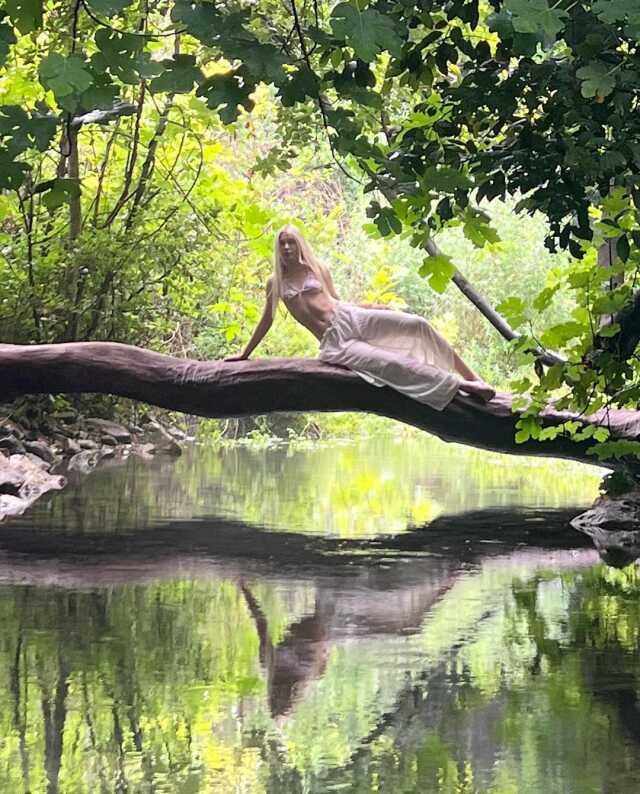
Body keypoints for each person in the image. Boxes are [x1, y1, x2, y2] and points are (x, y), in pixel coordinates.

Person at [224, 224, 496, 410]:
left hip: (350, 317)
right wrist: (244, 353)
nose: (286, 248)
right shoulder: (276, 282)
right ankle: (460, 386)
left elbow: (338, 301)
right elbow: (267, 320)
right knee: (392, 364)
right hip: (336, 343)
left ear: (299, 245)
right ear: (277, 248)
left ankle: (473, 378)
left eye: (291, 242)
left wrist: (375, 307)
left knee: (418, 324)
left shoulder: (318, 268)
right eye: (282, 244)